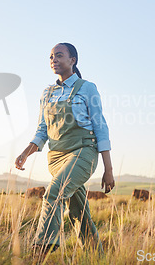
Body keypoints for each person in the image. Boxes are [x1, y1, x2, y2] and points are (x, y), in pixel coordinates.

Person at [15, 42, 114, 255]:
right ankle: (96, 257)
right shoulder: (47, 93)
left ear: (73, 60)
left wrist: (108, 169)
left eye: (59, 55)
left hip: (83, 152)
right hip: (57, 157)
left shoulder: (87, 88)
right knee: (79, 211)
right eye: (51, 57)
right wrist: (25, 153)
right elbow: (42, 131)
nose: (53, 60)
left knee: (54, 193)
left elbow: (100, 127)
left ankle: (41, 249)